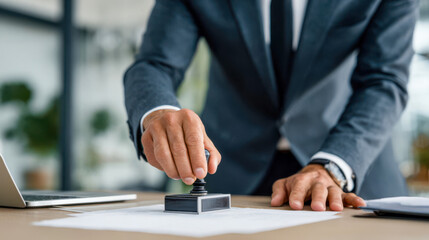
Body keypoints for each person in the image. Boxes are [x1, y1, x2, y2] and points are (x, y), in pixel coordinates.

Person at [124, 0, 418, 211]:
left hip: (349, 169)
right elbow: (154, 64)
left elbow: (384, 81)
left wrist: (333, 166)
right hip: (234, 179)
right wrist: (157, 111)